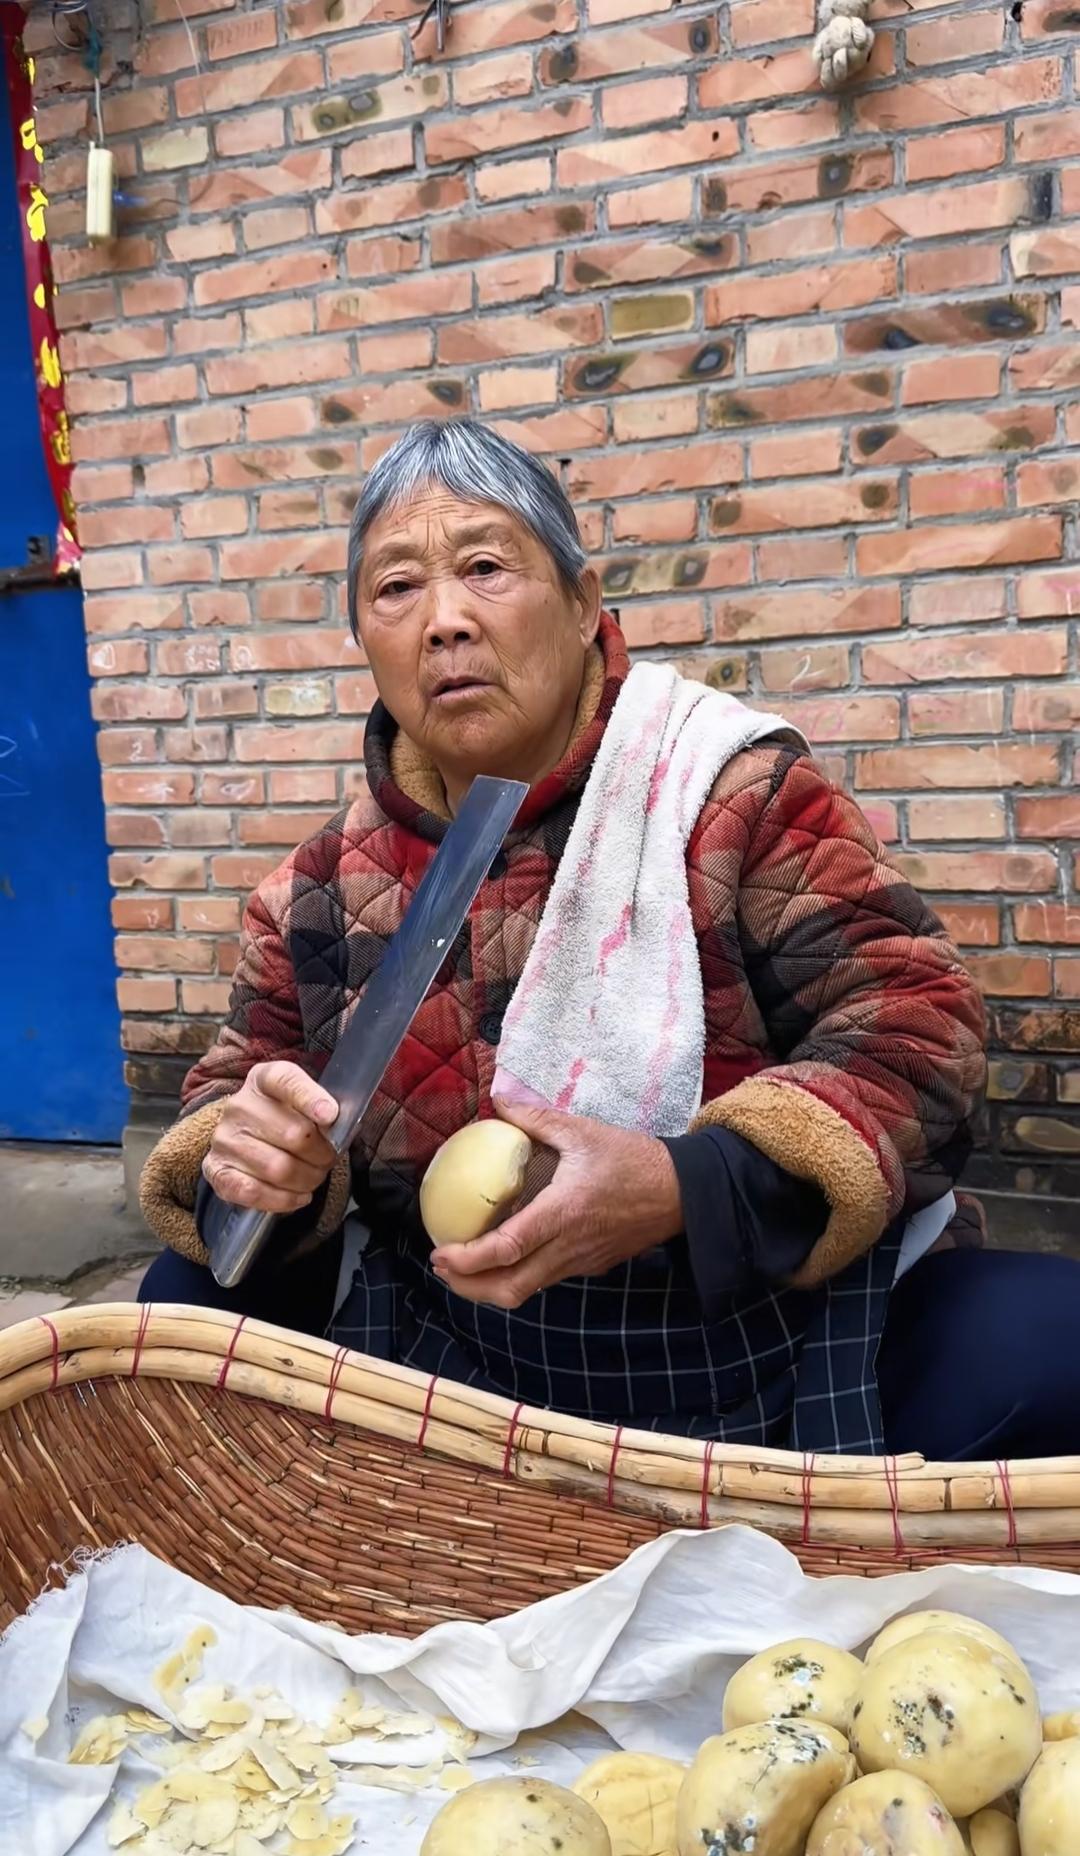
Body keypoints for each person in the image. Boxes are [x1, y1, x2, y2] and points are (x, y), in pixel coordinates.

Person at [140, 419, 1079, 1463]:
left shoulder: (728, 794)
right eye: (396, 588)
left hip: (759, 1342)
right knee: (176, 1313)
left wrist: (686, 1182)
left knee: (1047, 1343)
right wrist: (259, 1157)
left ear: (585, 605)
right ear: (364, 637)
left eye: (487, 566)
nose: (445, 621)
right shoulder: (319, 891)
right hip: (455, 1364)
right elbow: (234, 1090)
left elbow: (918, 1029)